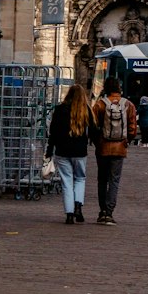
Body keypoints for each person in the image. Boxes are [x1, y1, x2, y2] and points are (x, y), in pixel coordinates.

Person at [46, 85, 98, 224]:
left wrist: (49, 151)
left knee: (66, 182)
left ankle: (69, 214)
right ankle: (78, 206)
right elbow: (94, 131)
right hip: (80, 151)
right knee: (80, 179)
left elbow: (53, 133)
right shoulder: (86, 110)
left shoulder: (59, 110)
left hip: (62, 151)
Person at [92, 75, 137, 224]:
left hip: (103, 148)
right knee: (114, 181)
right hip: (119, 148)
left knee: (102, 180)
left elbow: (92, 126)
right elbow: (132, 129)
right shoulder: (128, 105)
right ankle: (110, 212)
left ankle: (102, 211)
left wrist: (96, 142)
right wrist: (126, 141)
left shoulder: (100, 104)